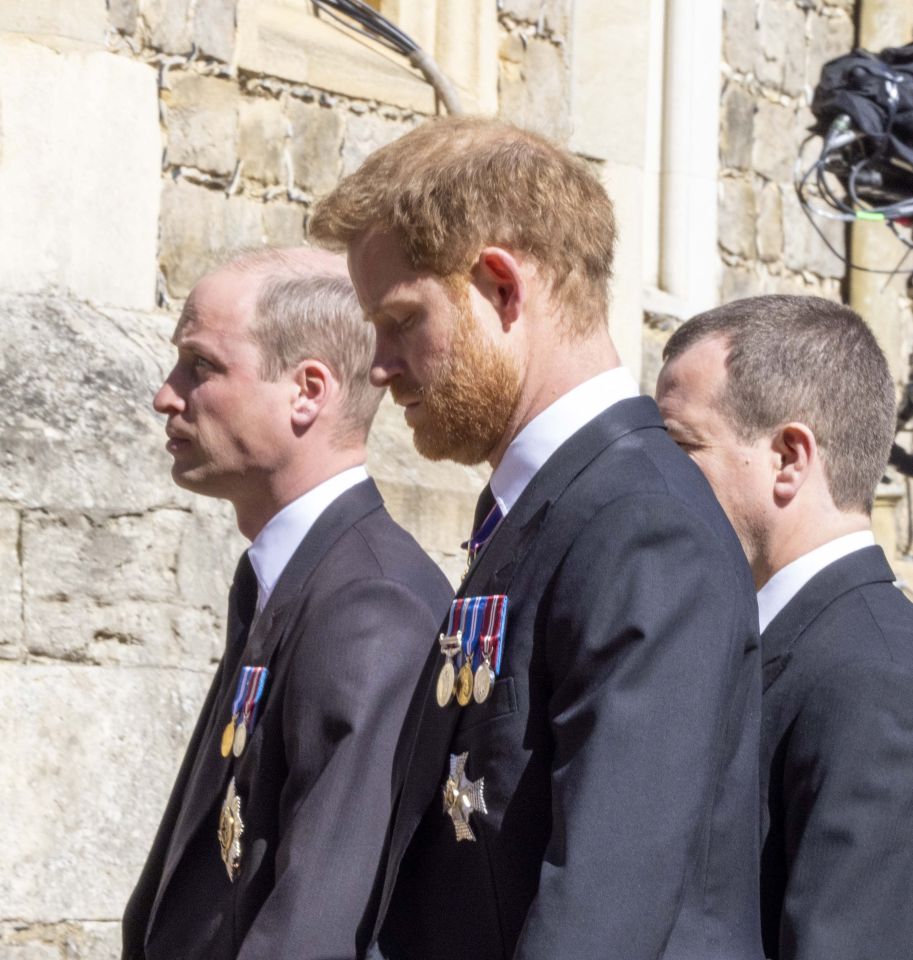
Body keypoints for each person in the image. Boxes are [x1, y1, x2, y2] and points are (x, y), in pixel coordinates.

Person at [309, 117, 763, 960]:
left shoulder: (640, 525)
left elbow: (600, 913)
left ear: (501, 287)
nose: (378, 365)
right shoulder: (553, 510)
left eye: (401, 320)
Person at [121, 247, 452, 960]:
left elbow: (319, 920)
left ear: (307, 390)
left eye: (201, 367)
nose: (166, 396)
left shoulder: (370, 604)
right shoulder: (289, 577)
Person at [656, 294, 913, 960]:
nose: (655, 482)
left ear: (787, 459)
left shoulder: (871, 678)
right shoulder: (764, 638)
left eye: (682, 446)